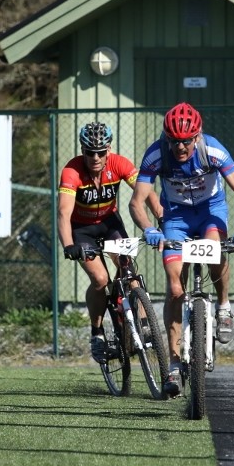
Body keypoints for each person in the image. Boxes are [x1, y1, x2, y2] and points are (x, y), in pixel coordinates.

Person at [128, 102, 234, 397]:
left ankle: (223, 307)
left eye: (186, 141)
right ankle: (173, 364)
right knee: (175, 289)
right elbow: (136, 202)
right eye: (174, 141)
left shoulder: (212, 149)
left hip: (211, 212)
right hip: (177, 218)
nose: (180, 147)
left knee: (215, 249)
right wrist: (149, 228)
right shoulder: (156, 154)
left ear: (197, 136)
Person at [58, 121, 161, 365]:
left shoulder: (119, 163)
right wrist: (68, 245)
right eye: (89, 152)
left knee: (128, 271)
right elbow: (63, 212)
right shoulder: (72, 171)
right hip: (81, 229)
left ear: (109, 150)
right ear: (82, 150)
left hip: (109, 223)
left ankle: (143, 325)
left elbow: (146, 193)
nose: (95, 157)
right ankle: (97, 331)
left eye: (100, 152)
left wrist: (162, 219)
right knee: (100, 279)